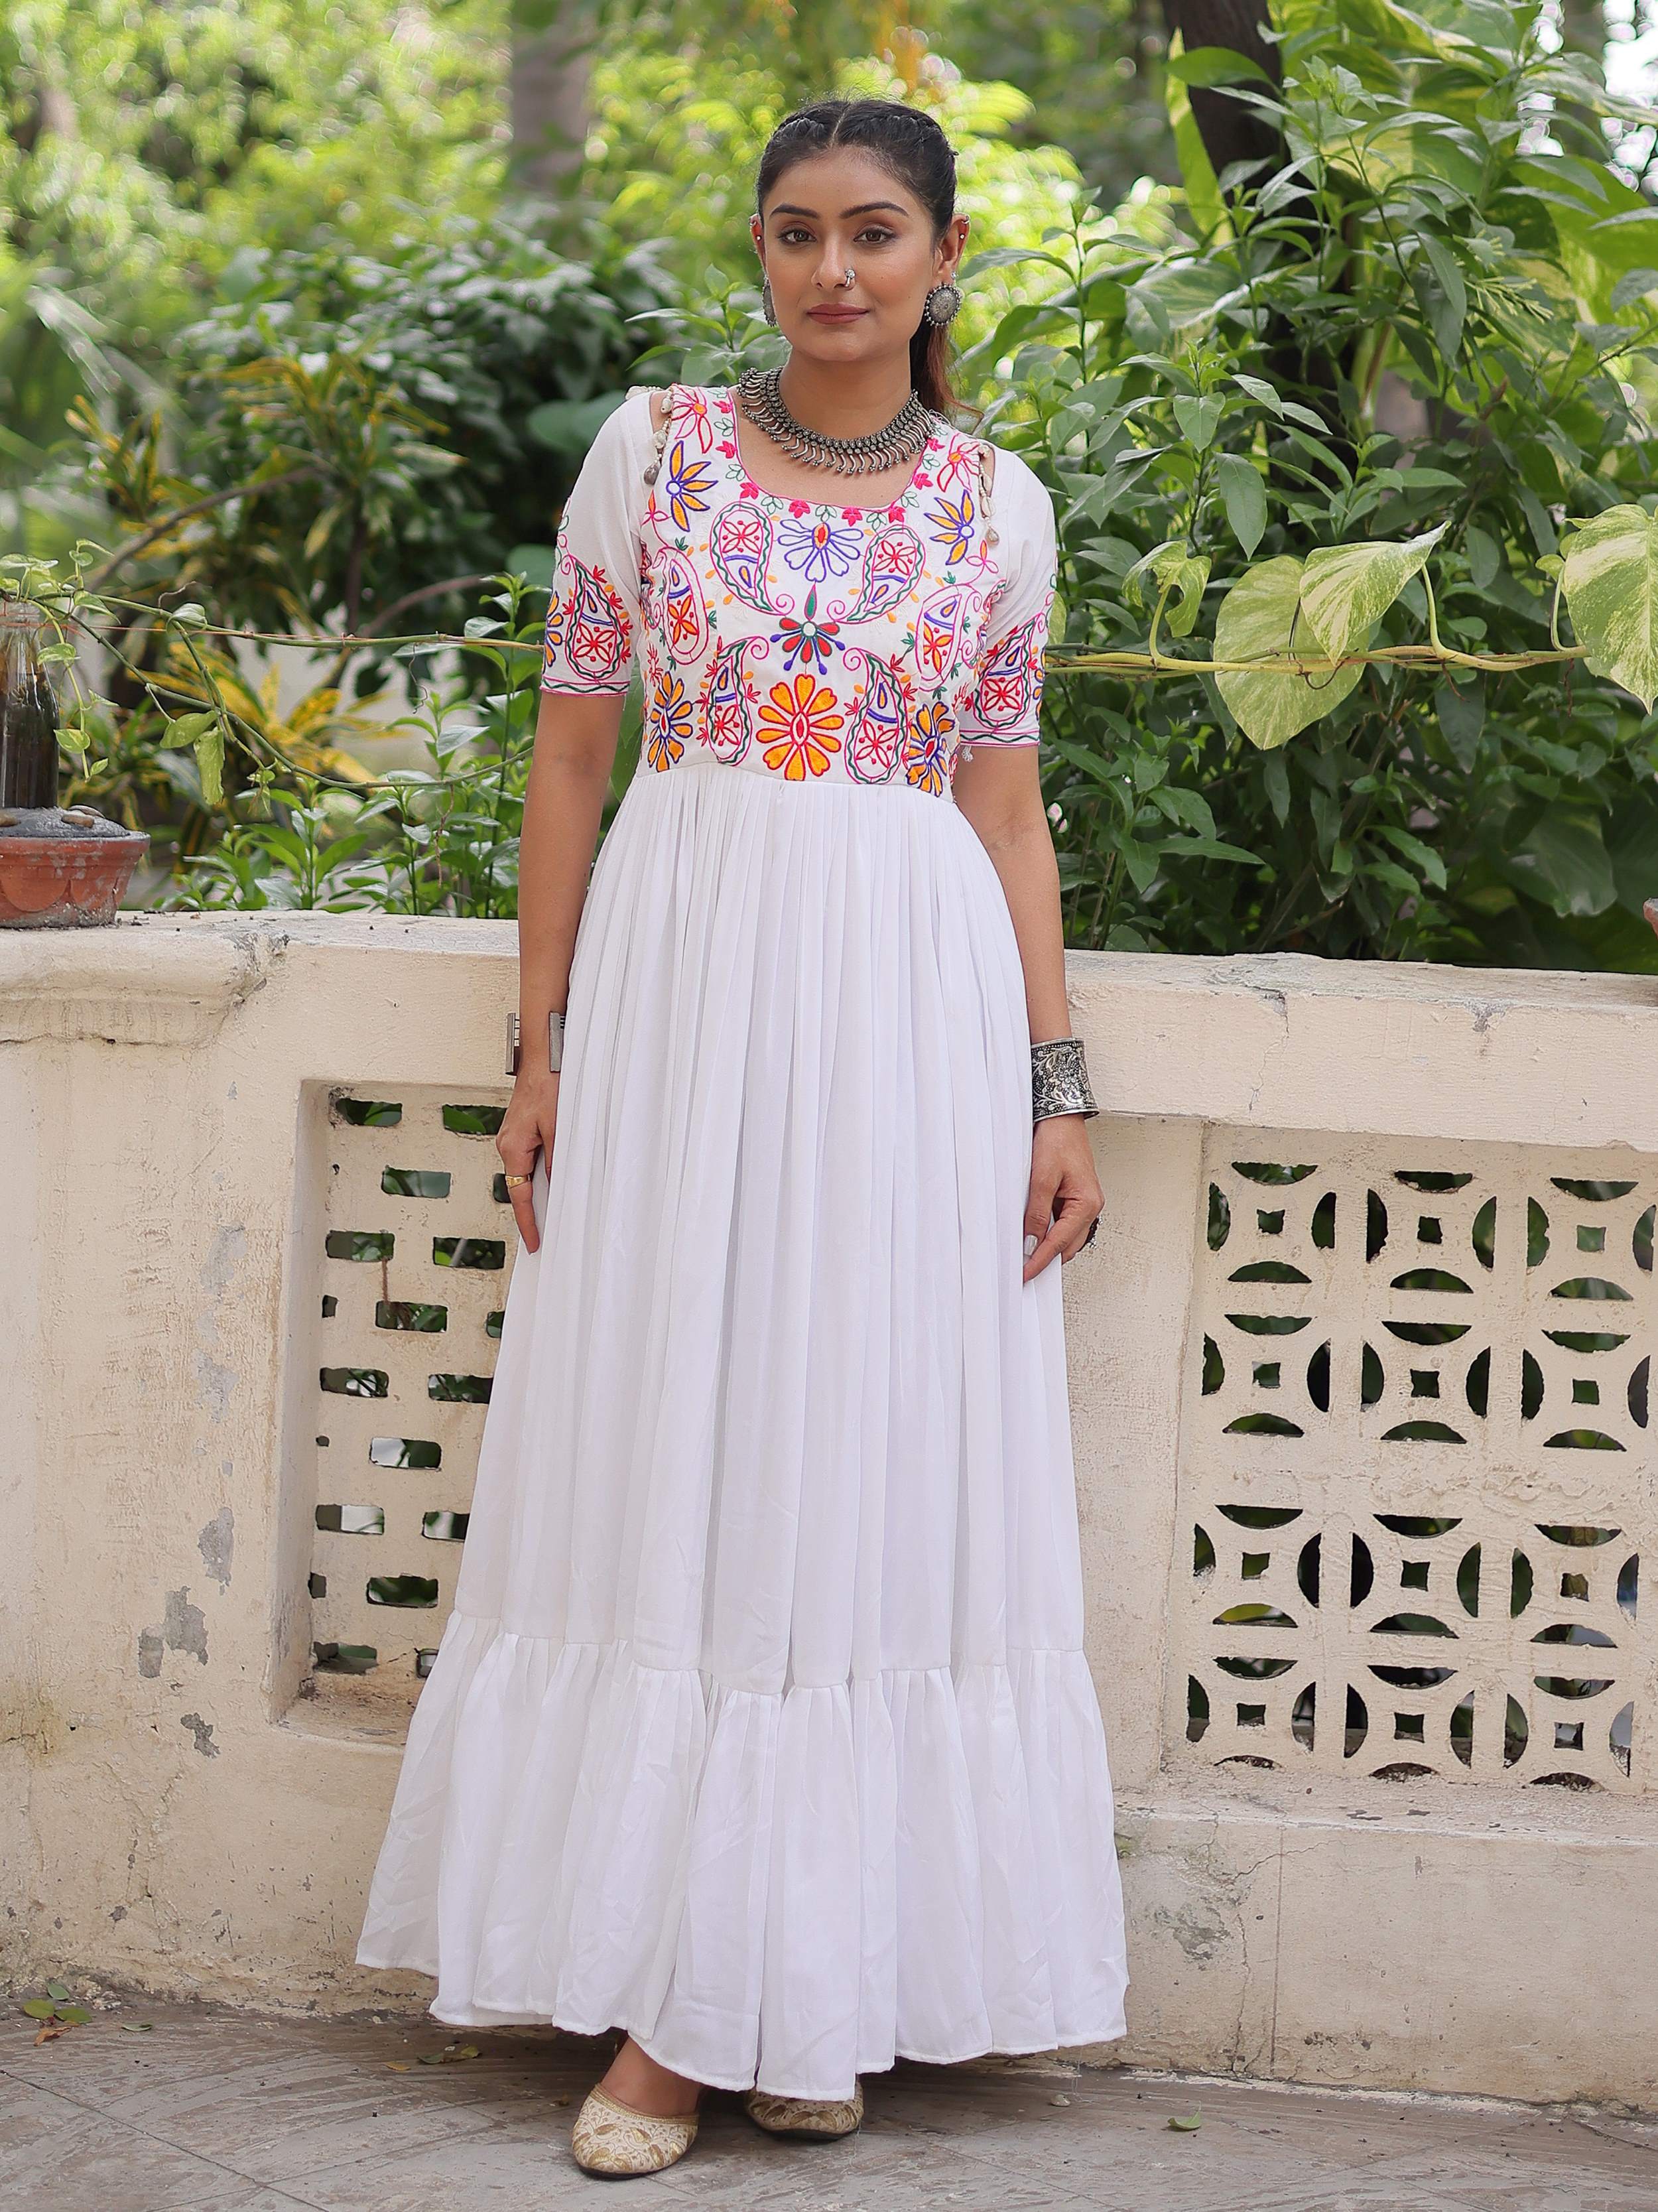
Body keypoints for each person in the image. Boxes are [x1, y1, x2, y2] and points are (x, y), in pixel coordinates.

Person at [355, 93, 1128, 2179]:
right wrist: (541, 1051)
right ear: (762, 254)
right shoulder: (654, 452)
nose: (831, 269)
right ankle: (695, 2001)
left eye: (873, 231)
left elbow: (1003, 810)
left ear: (943, 257)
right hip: (687, 1000)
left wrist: (1054, 1090)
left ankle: (800, 1987)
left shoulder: (999, 505)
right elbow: (569, 762)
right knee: (685, 1451)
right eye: (794, 231)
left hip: (908, 1014)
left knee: (860, 1468)